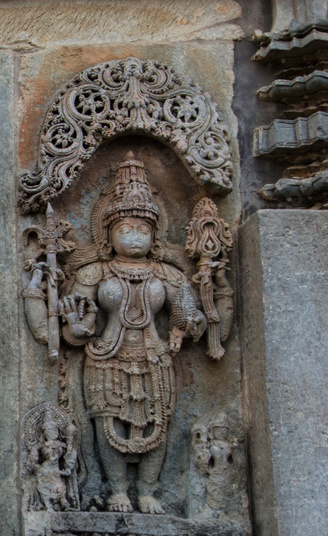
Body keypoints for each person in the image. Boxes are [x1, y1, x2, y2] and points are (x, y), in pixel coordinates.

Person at [24, 154, 206, 514]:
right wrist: (77, 330)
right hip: (106, 356)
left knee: (160, 419)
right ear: (108, 233)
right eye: (126, 229)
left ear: (156, 234)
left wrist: (187, 326)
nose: (135, 237)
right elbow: (72, 319)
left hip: (156, 355)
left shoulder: (168, 275)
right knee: (107, 418)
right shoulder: (94, 273)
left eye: (142, 230)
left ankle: (149, 490)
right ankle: (118, 489)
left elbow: (189, 314)